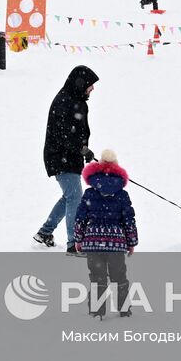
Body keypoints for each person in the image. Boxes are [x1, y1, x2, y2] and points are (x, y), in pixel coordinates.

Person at [35, 65, 99, 255]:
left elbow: (77, 132)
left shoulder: (77, 100)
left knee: (69, 197)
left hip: (69, 156)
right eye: (90, 85)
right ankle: (74, 244)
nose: (92, 89)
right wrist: (82, 149)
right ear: (80, 84)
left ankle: (45, 233)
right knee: (75, 199)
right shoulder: (65, 102)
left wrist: (83, 149)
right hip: (60, 157)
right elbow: (63, 134)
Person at [74, 149, 138, 318]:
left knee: (97, 279)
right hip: (116, 244)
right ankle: (124, 311)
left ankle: (96, 312)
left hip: (93, 243)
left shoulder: (89, 193)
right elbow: (129, 220)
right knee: (120, 278)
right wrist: (131, 242)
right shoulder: (122, 194)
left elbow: (80, 218)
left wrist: (78, 239)